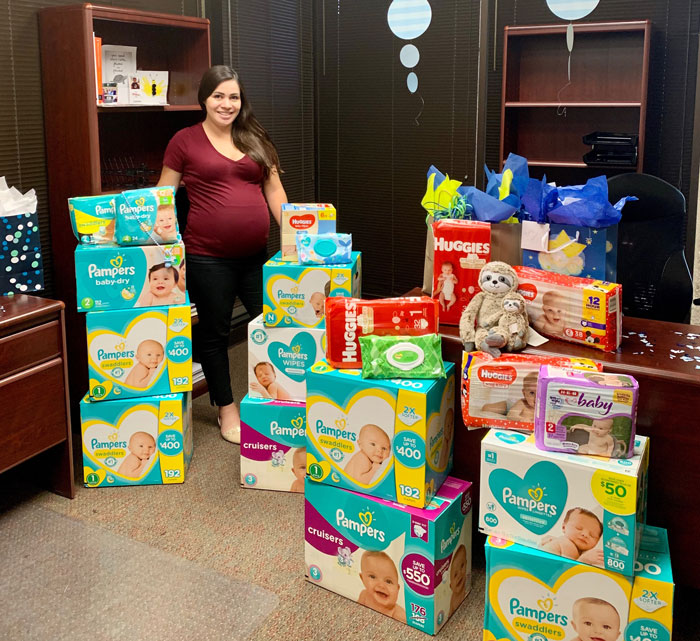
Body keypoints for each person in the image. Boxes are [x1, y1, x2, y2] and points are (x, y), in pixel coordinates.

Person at [158, 65, 287, 443]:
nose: (226, 104)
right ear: (204, 99)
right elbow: (162, 196)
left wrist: (297, 237)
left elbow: (274, 191)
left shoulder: (255, 137)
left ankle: (278, 398)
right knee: (215, 334)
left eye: (234, 97)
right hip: (207, 257)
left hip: (256, 257)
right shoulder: (184, 141)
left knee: (276, 324)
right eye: (218, 96)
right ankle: (226, 408)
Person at [539, 507, 604, 566]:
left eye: (592, 535)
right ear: (564, 527)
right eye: (578, 528)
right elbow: (567, 571)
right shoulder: (566, 544)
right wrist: (584, 560)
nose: (585, 534)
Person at [357, 550, 406, 623]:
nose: (381, 585)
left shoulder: (399, 614)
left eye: (388, 581)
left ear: (397, 588)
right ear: (362, 578)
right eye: (373, 577)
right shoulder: (364, 595)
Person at [448, 544, 468, 617]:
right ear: (451, 586)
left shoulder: (466, 586)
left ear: (466, 564)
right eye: (455, 575)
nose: (459, 574)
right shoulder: (453, 600)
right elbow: (450, 613)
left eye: (462, 565)